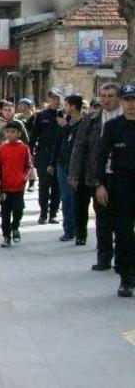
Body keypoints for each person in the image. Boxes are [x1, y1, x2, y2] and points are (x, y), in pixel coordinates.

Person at [70, 83, 121, 263]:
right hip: (97, 174)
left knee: (122, 218)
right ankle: (104, 257)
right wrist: (74, 173)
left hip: (122, 175)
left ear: (118, 97)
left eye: (111, 96)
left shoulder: (126, 117)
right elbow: (79, 146)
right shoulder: (91, 119)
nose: (106, 100)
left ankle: (123, 257)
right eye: (103, 96)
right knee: (102, 217)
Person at [93, 82, 135, 297]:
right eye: (127, 100)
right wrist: (99, 184)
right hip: (121, 185)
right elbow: (101, 156)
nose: (131, 104)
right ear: (121, 102)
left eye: (134, 100)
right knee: (124, 234)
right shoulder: (113, 127)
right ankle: (126, 278)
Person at [0, 121, 32, 248]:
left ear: (19, 134)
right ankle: (6, 236)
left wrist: (24, 178)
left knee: (18, 209)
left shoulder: (24, 148)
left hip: (18, 186)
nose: (10, 134)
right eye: (8, 131)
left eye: (13, 132)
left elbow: (29, 165)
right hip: (5, 186)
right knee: (5, 212)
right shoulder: (1, 148)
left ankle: (15, 227)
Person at [29, 90, 63, 225]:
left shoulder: (63, 115)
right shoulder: (42, 116)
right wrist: (30, 153)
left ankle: (53, 213)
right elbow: (33, 136)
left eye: (58, 98)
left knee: (57, 186)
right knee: (44, 186)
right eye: (53, 98)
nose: (56, 101)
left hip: (59, 155)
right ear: (49, 100)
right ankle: (43, 213)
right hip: (44, 155)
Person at [56, 95, 83, 242]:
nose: (64, 108)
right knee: (66, 198)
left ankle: (79, 230)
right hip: (62, 163)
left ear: (72, 106)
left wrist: (65, 127)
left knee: (76, 199)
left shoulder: (83, 123)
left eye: (66, 105)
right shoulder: (65, 121)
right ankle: (69, 230)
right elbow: (59, 143)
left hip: (76, 165)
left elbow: (78, 143)